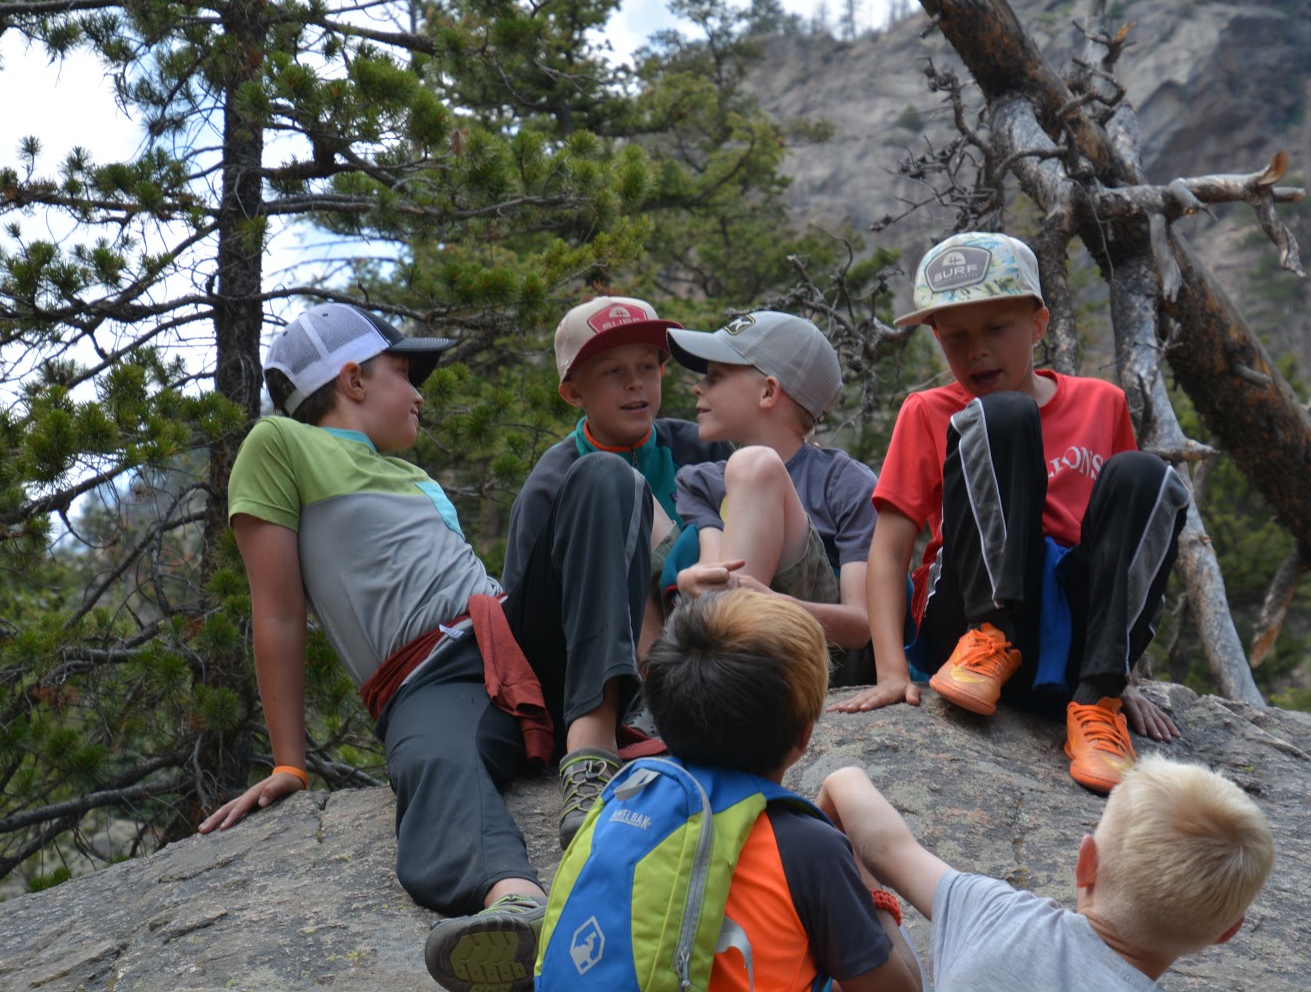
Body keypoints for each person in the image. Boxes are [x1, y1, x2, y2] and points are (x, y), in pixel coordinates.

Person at [199, 303, 657, 992]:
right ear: (353, 379)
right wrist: (290, 762)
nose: (418, 396)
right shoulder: (279, 443)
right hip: (427, 678)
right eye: (405, 374)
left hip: (509, 637)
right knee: (434, 760)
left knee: (606, 477)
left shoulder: (416, 477)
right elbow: (281, 612)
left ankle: (589, 750)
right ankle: (516, 906)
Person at [834, 231, 1193, 794]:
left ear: (1039, 325)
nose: (976, 350)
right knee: (1000, 416)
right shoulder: (928, 411)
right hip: (965, 630)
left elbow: (1123, 543)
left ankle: (1097, 700)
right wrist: (890, 673)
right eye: (955, 336)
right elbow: (888, 552)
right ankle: (990, 638)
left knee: (1147, 475)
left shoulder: (1101, 403)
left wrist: (1121, 673)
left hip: (1072, 635)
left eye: (996, 329)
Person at [635, 589, 922, 992]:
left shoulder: (630, 796)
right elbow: (901, 989)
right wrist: (865, 878)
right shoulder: (810, 849)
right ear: (804, 735)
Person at [817, 757, 1275, 990]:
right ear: (1226, 932)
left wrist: (843, 781)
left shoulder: (999, 915)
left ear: (1085, 863)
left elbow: (886, 848)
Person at [503, 294, 732, 669]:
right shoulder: (550, 486)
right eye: (612, 371)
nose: (635, 383)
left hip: (714, 628)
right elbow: (525, 610)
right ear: (573, 392)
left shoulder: (701, 448)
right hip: (604, 662)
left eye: (647, 366)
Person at [663, 311, 878, 686]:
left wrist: (771, 605)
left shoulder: (844, 482)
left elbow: (861, 626)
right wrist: (693, 581)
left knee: (755, 464)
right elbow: (715, 576)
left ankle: (722, 680)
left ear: (768, 392)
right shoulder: (701, 481)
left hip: (818, 662)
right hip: (724, 649)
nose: (698, 388)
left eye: (715, 377)